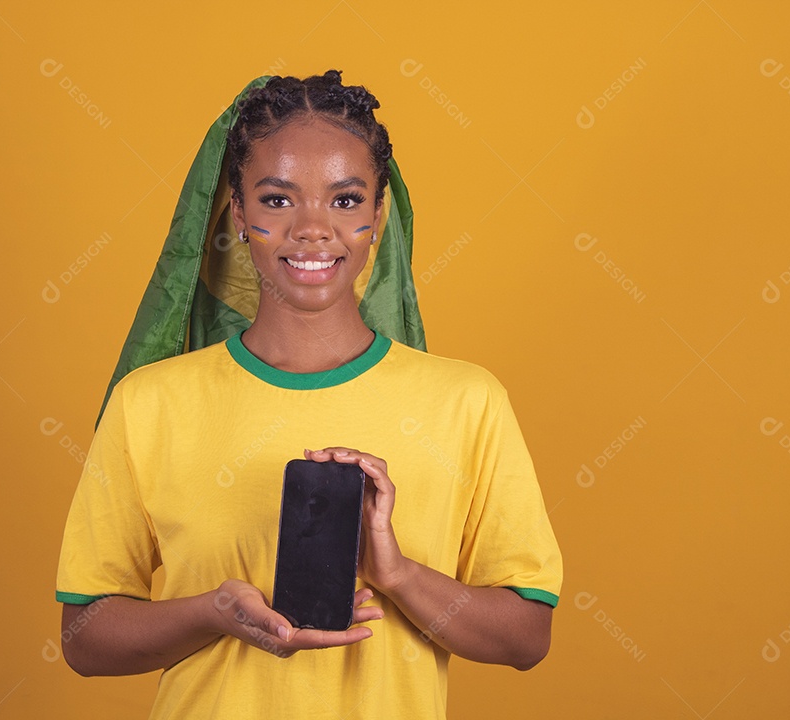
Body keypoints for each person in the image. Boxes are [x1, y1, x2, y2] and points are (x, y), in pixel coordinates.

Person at [55, 70, 563, 720]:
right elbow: (82, 639)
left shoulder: (467, 402)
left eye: (346, 200)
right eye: (277, 199)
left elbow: (527, 638)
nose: (313, 229)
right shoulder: (148, 403)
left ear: (377, 215)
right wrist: (215, 612)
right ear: (239, 213)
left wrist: (398, 573)